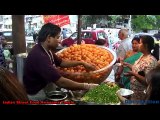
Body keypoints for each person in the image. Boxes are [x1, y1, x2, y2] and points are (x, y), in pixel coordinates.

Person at [23, 23, 98, 101]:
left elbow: (62, 63)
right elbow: (61, 82)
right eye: (58, 37)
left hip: (45, 87)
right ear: (49, 38)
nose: (60, 40)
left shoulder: (46, 50)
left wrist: (82, 63)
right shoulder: (39, 56)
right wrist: (86, 86)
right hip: (37, 94)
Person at [122, 35, 158, 101]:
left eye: (140, 43)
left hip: (141, 95)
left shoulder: (151, 61)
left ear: (146, 45)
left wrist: (133, 74)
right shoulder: (142, 56)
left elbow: (147, 81)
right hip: (133, 92)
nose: (138, 45)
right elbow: (138, 69)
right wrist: (128, 65)